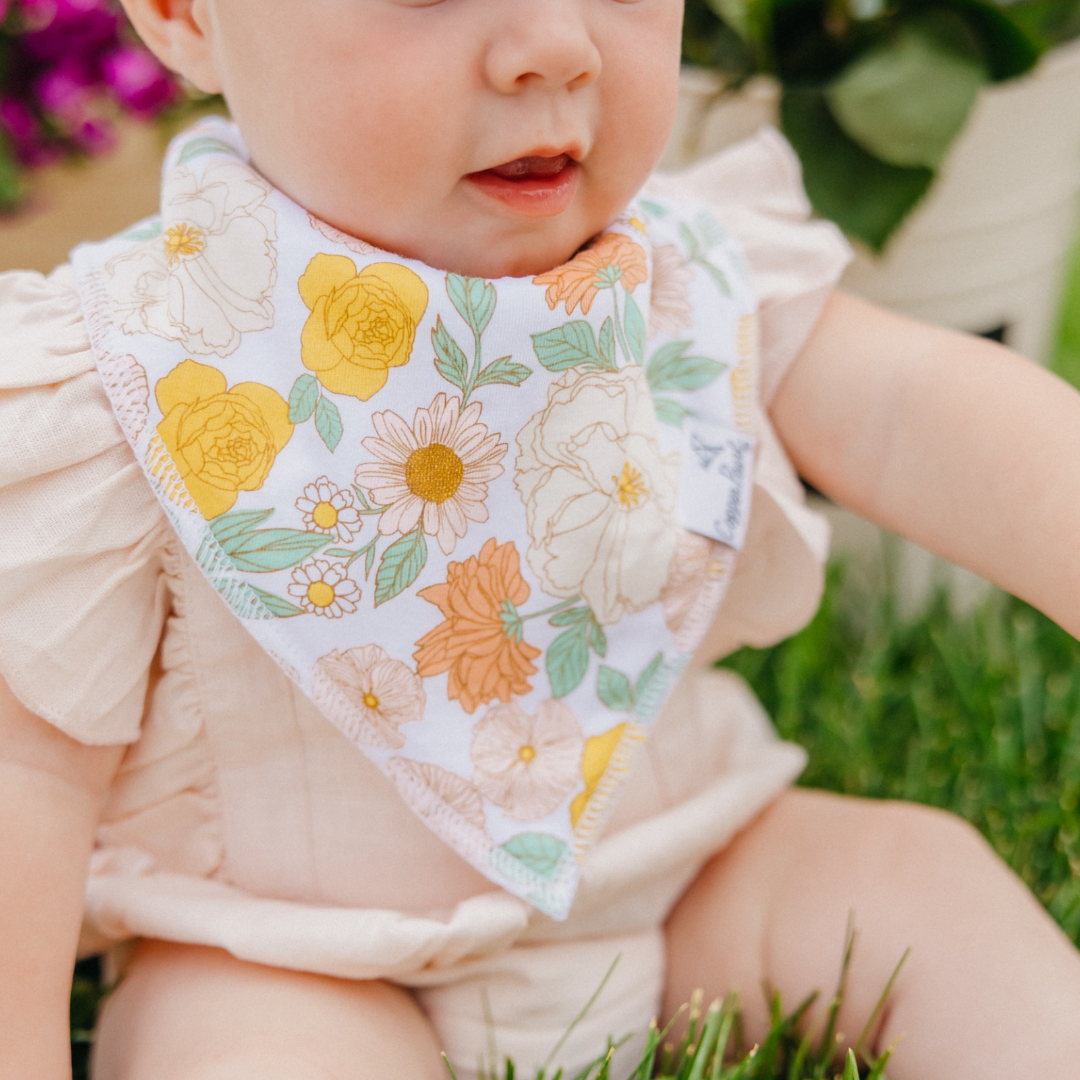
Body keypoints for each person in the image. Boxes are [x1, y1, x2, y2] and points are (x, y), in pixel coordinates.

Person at [2, 1, 1080, 1078]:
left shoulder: (683, 275)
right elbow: (26, 779)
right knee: (243, 1054)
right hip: (289, 949)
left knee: (919, 882)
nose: (559, 45)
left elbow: (910, 411)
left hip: (684, 866)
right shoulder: (129, 375)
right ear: (183, 15)